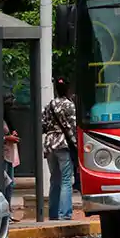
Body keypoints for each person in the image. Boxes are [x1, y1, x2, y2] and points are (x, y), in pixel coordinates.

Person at [41, 78, 77, 221]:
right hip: (63, 144)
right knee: (66, 180)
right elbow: (73, 127)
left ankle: (53, 214)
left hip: (50, 144)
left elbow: (43, 125)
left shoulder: (49, 105)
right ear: (68, 89)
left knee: (54, 179)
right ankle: (65, 214)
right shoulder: (69, 105)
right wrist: (76, 144)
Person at [2, 94, 20, 223]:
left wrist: (12, 134)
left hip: (9, 154)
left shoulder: (6, 118)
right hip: (1, 155)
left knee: (10, 184)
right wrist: (6, 138)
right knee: (4, 184)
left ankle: (7, 213)